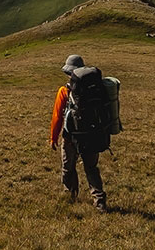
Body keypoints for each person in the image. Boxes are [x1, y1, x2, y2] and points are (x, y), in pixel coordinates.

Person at [49, 53, 114, 212]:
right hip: (92, 135)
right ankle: (99, 201)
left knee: (68, 167)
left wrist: (53, 137)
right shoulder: (95, 90)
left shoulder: (64, 91)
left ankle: (70, 195)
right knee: (91, 168)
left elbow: (57, 116)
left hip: (70, 137)